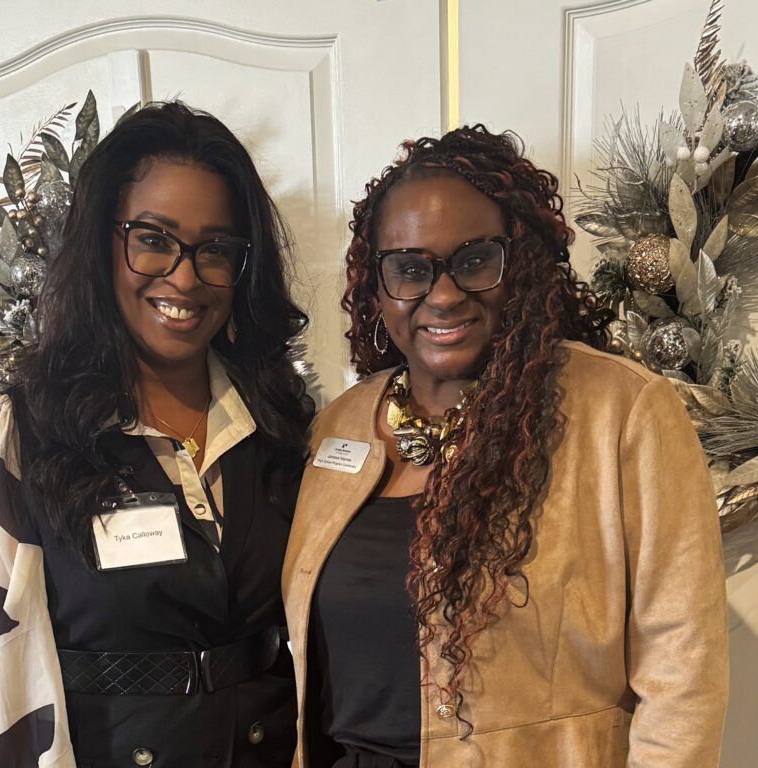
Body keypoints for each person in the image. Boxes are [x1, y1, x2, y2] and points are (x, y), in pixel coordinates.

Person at [282, 126, 728, 767]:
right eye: (409, 268)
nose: (443, 295)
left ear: (520, 263)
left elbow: (683, 673)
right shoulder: (337, 427)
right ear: (376, 287)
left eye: (473, 261)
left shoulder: (623, 413)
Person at [0, 102, 313, 767]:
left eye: (216, 249)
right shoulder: (20, 431)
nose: (185, 277)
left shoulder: (277, 421)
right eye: (153, 239)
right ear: (101, 245)